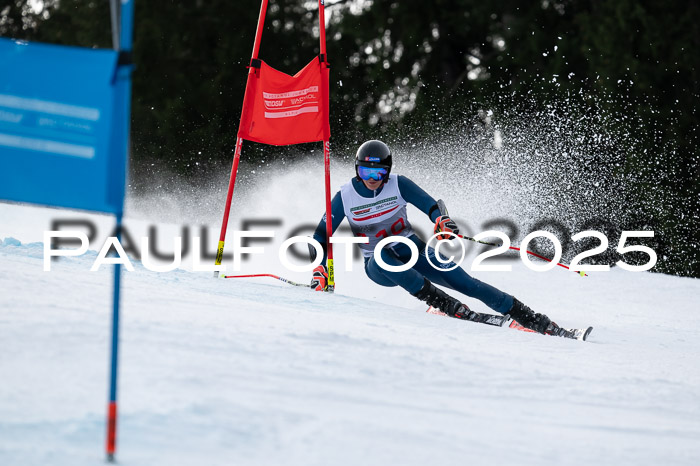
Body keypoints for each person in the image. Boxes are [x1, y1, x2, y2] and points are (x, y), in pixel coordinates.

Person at [309, 139, 561, 336]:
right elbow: (320, 236)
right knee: (380, 253)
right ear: (357, 170)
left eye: (378, 173)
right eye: (365, 172)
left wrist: (442, 220)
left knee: (468, 283)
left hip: (414, 252)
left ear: (387, 171)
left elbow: (432, 206)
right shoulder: (345, 196)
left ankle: (529, 317)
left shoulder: (398, 184)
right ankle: (445, 303)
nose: (372, 180)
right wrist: (319, 269)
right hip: (380, 268)